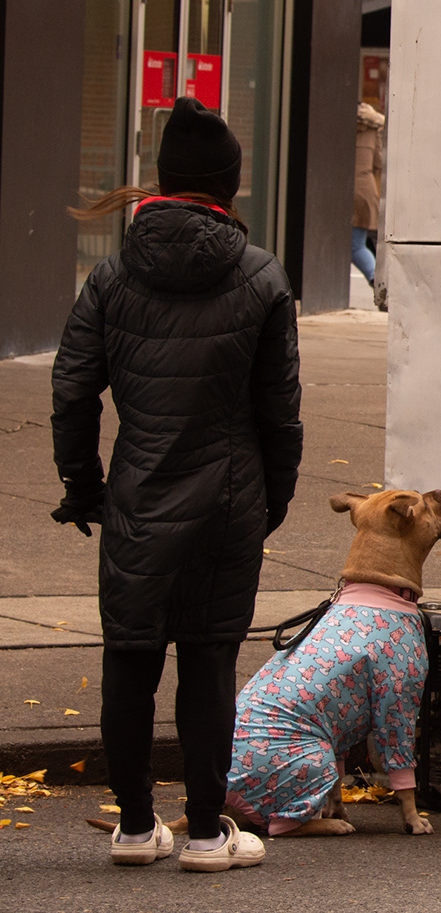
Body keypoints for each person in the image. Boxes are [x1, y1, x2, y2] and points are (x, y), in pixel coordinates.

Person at [50, 97, 302, 873]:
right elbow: (280, 412)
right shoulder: (261, 276)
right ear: (227, 189)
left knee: (130, 656)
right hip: (230, 499)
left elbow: (72, 391)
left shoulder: (112, 274)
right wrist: (274, 498)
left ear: (164, 181)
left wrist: (84, 486)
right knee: (209, 658)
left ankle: (133, 827)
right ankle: (203, 832)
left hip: (137, 495)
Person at [351, 101, 385, 288]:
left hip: (346, 190)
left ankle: (378, 284)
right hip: (365, 189)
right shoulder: (372, 128)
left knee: (355, 246)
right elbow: (378, 163)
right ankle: (378, 283)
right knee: (357, 242)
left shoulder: (342, 123)